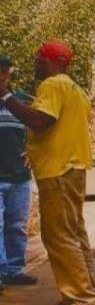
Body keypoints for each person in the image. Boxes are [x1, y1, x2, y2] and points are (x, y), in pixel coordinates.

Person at [0, 40, 95, 305]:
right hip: (72, 169)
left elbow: (40, 121)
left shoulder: (54, 85)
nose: (36, 65)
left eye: (40, 60)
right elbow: (57, 129)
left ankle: (83, 300)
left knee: (59, 236)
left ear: (55, 62)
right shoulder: (75, 89)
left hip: (59, 172)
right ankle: (82, 292)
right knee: (74, 233)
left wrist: (6, 96)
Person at [0, 55, 36, 290]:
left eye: (4, 72)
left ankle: (14, 270)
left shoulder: (20, 100)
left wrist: (34, 152)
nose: (1, 77)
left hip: (20, 176)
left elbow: (37, 128)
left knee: (16, 225)